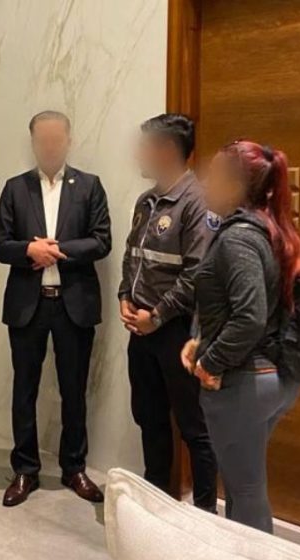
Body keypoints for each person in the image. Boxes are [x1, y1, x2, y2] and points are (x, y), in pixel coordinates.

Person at [181, 139, 300, 533]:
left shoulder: (238, 238)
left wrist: (210, 361)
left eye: (214, 175)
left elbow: (250, 317)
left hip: (245, 383)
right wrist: (201, 339)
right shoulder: (268, 229)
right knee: (243, 487)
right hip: (270, 378)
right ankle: (240, 558)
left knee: (248, 492)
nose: (205, 183)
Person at [0, 110, 112, 507]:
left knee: (73, 390)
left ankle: (74, 467)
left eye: (56, 139)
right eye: (42, 140)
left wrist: (56, 250)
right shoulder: (15, 188)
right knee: (23, 390)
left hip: (73, 305)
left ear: (68, 141)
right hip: (28, 305)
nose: (49, 146)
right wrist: (29, 250)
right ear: (32, 142)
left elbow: (102, 241)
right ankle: (25, 470)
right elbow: (0, 246)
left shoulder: (89, 186)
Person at [118, 114, 218, 511]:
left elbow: (196, 274)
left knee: (195, 427)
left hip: (178, 333)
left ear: (166, 151)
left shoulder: (197, 202)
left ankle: (205, 515)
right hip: (141, 331)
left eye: (145, 146)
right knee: (149, 417)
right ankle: (156, 503)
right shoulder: (146, 202)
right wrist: (125, 296)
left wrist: (156, 316)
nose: (138, 154)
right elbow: (132, 256)